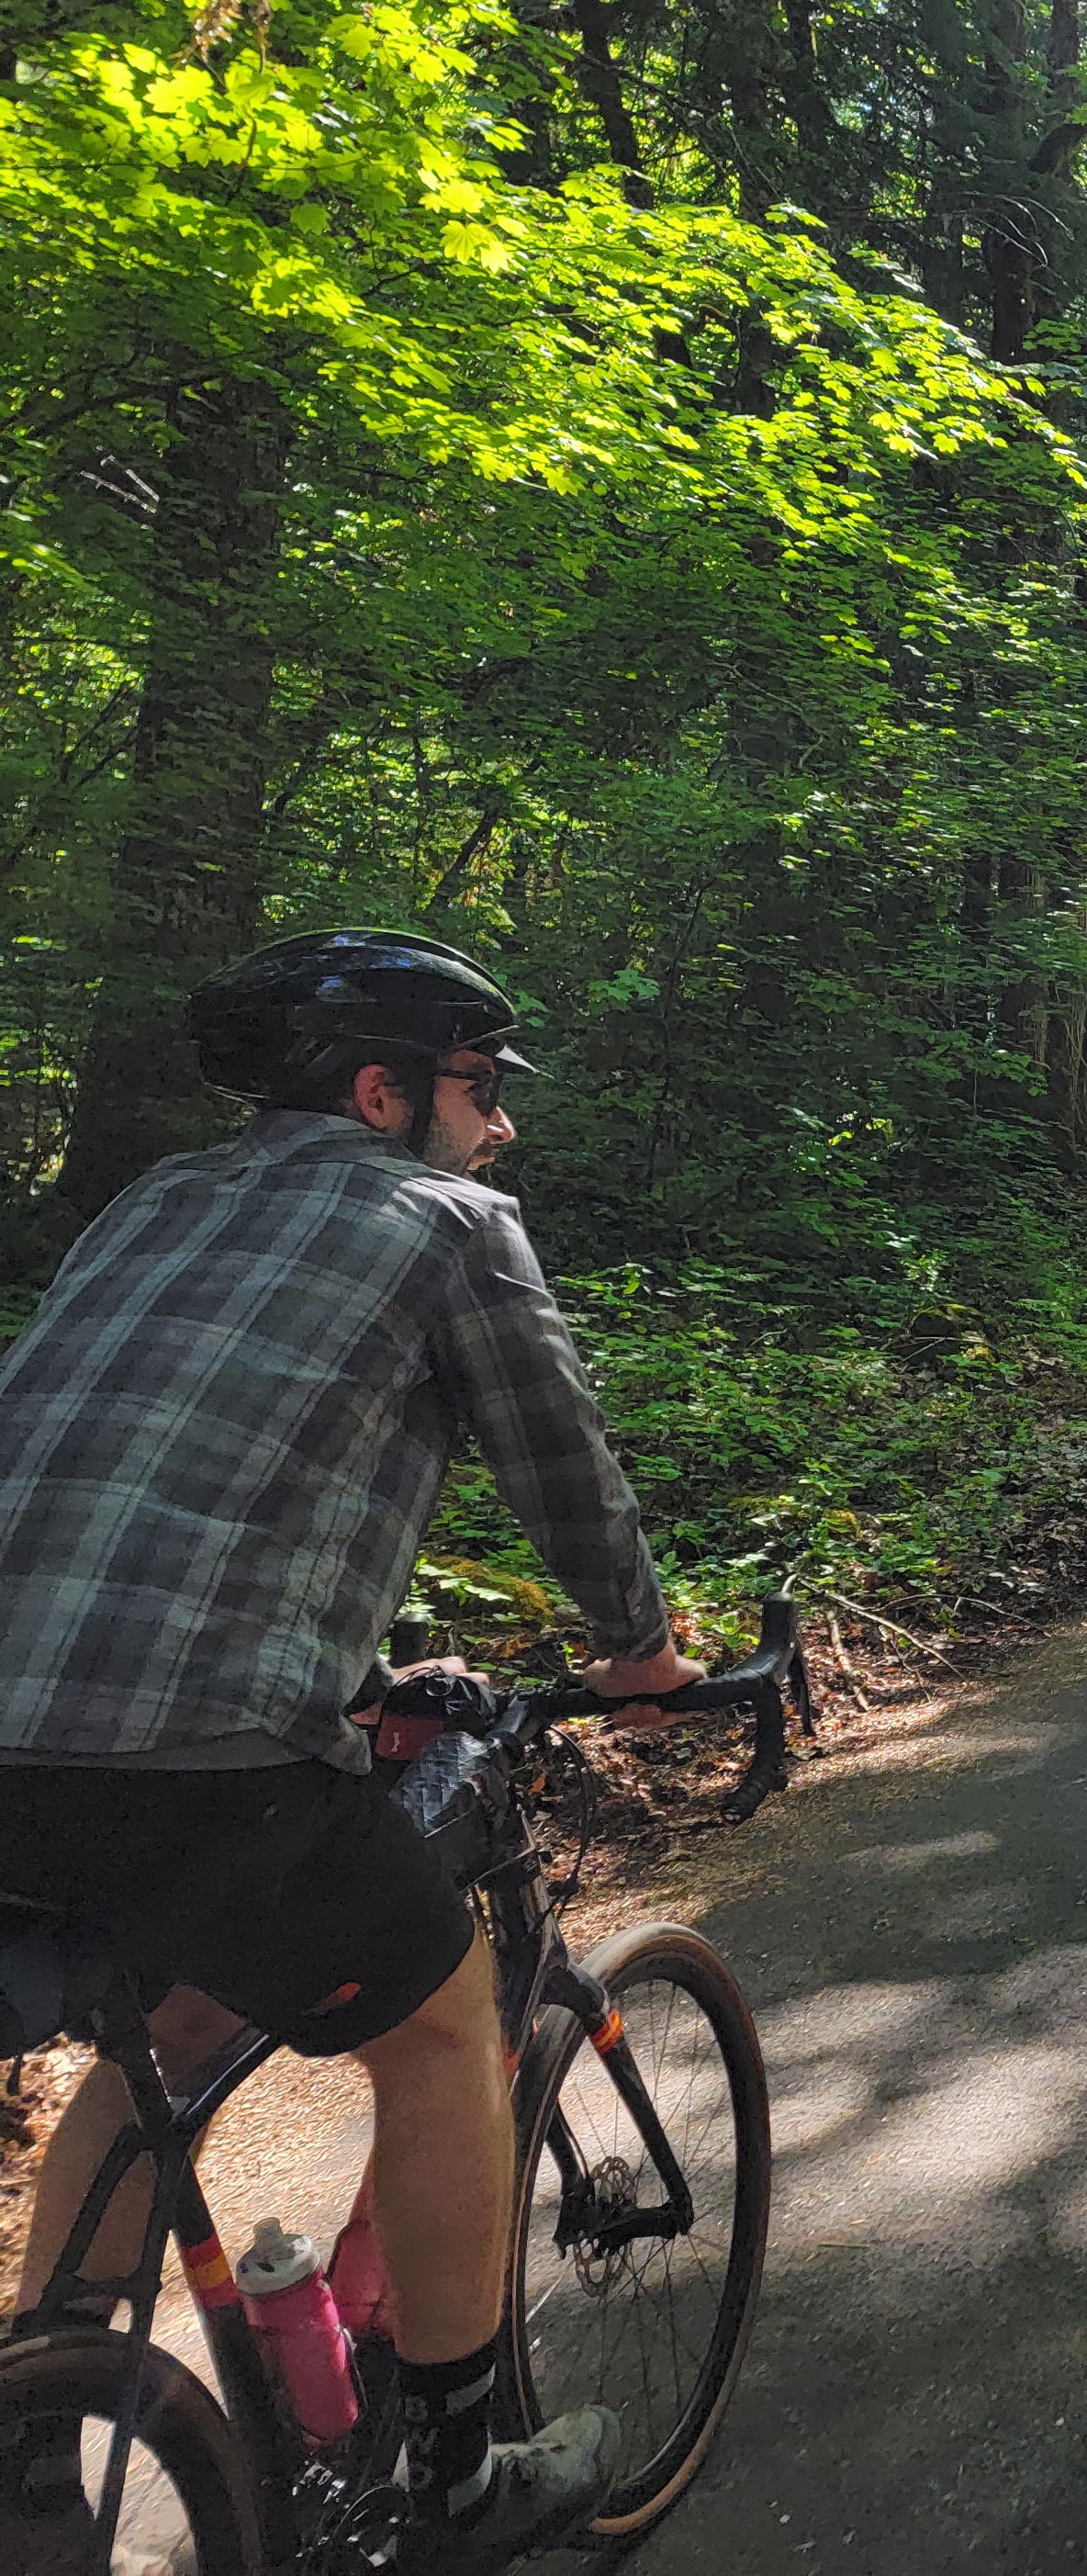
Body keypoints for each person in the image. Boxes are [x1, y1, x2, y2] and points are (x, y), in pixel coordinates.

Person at [0, 929, 702, 2572]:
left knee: (163, 2030)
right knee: (446, 2025)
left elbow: (148, 1476)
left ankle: (43, 2443)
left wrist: (363, 1665)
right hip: (197, 1758)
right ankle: (460, 2485)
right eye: (477, 1088)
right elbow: (561, 1466)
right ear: (383, 1093)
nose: (499, 1126)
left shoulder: (149, 1205)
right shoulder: (447, 1223)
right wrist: (639, 1654)